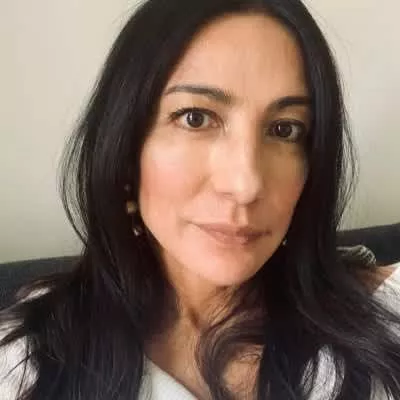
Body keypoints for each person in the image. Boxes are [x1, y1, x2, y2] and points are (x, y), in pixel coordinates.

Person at [1, 0, 400, 399]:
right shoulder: (27, 363)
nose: (246, 184)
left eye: (284, 129)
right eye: (196, 118)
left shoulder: (385, 316)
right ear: (125, 147)